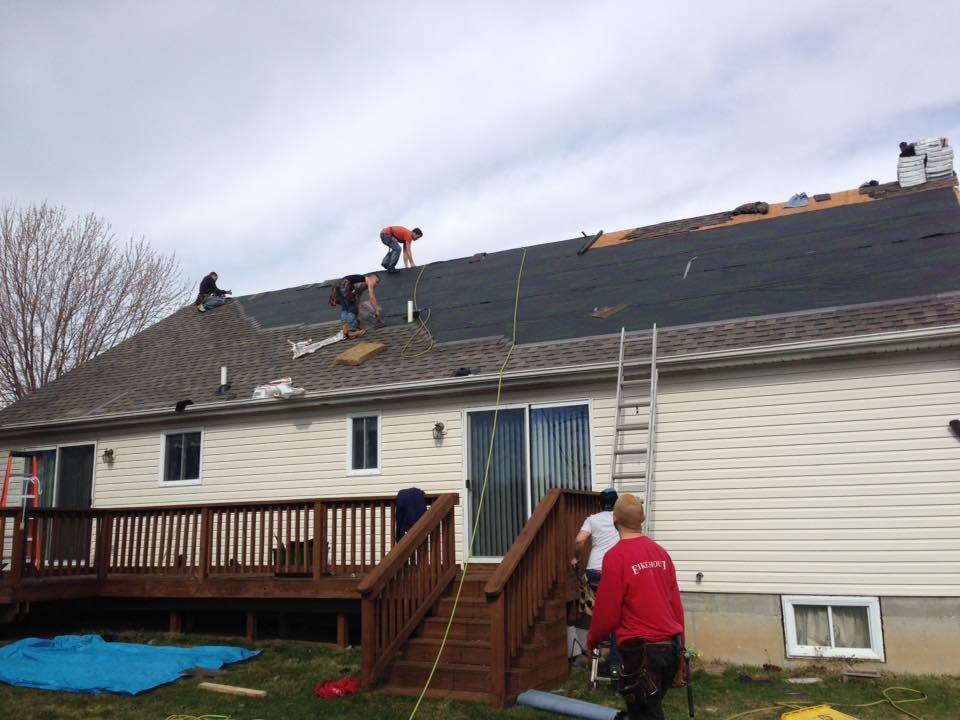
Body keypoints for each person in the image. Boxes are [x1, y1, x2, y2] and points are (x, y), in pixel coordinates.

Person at [588, 494, 684, 720]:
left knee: (646, 714)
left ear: (614, 521)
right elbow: (676, 605)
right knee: (646, 710)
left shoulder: (616, 557)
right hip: (669, 649)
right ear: (642, 518)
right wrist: (682, 646)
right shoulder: (662, 554)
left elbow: (607, 610)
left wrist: (594, 638)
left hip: (640, 654)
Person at [574, 487, 621, 673]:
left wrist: (576, 558)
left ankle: (593, 650)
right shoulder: (620, 519)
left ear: (599, 503)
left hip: (594, 572)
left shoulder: (592, 519)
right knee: (618, 619)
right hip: (614, 572)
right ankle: (615, 664)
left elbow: (579, 541)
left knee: (597, 611)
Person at [329, 272, 382, 339]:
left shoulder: (359, 283)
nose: (377, 285)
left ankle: (345, 330)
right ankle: (351, 330)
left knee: (346, 308)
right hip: (345, 284)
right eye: (376, 282)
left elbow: (356, 298)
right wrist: (376, 310)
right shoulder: (369, 280)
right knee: (352, 308)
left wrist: (357, 316)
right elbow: (372, 297)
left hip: (338, 286)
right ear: (372, 278)